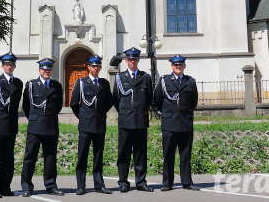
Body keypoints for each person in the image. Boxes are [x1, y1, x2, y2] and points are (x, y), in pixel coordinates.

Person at [153, 55, 200, 191]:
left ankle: (187, 182)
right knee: (168, 154)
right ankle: (167, 183)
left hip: (185, 123)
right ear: (172, 66)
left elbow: (193, 102)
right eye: (175, 65)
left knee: (185, 154)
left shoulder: (190, 81)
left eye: (180, 65)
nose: (178, 67)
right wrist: (166, 113)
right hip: (169, 123)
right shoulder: (164, 80)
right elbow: (157, 100)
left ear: (184, 66)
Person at [69, 54, 114, 195]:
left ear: (100, 67)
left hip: (99, 124)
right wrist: (82, 116)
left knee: (98, 156)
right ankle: (81, 185)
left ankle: (99, 185)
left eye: (98, 66)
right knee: (82, 155)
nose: (95, 68)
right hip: (85, 125)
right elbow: (73, 103)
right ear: (88, 67)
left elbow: (109, 101)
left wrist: (100, 113)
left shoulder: (104, 83)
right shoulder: (81, 82)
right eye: (93, 66)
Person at [112, 47, 153, 192]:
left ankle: (141, 182)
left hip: (140, 121)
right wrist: (125, 112)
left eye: (135, 59)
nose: (132, 61)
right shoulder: (120, 77)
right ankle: (123, 182)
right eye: (130, 59)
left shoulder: (145, 77)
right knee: (124, 153)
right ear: (126, 61)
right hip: (125, 121)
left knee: (140, 153)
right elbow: (116, 99)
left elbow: (149, 98)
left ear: (138, 60)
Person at [21, 58, 64, 197]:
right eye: (44, 69)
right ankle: (27, 186)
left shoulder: (57, 86)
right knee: (30, 157)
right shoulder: (31, 85)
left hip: (51, 126)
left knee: (50, 157)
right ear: (39, 70)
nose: (47, 71)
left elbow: (58, 106)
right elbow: (26, 106)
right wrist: (35, 118)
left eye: (49, 69)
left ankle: (51, 185)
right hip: (35, 126)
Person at [0, 52, 23, 198]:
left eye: (12, 64)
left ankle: (5, 186)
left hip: (11, 125)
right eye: (7, 64)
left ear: (14, 66)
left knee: (8, 159)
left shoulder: (18, 83)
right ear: (2, 66)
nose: (9, 66)